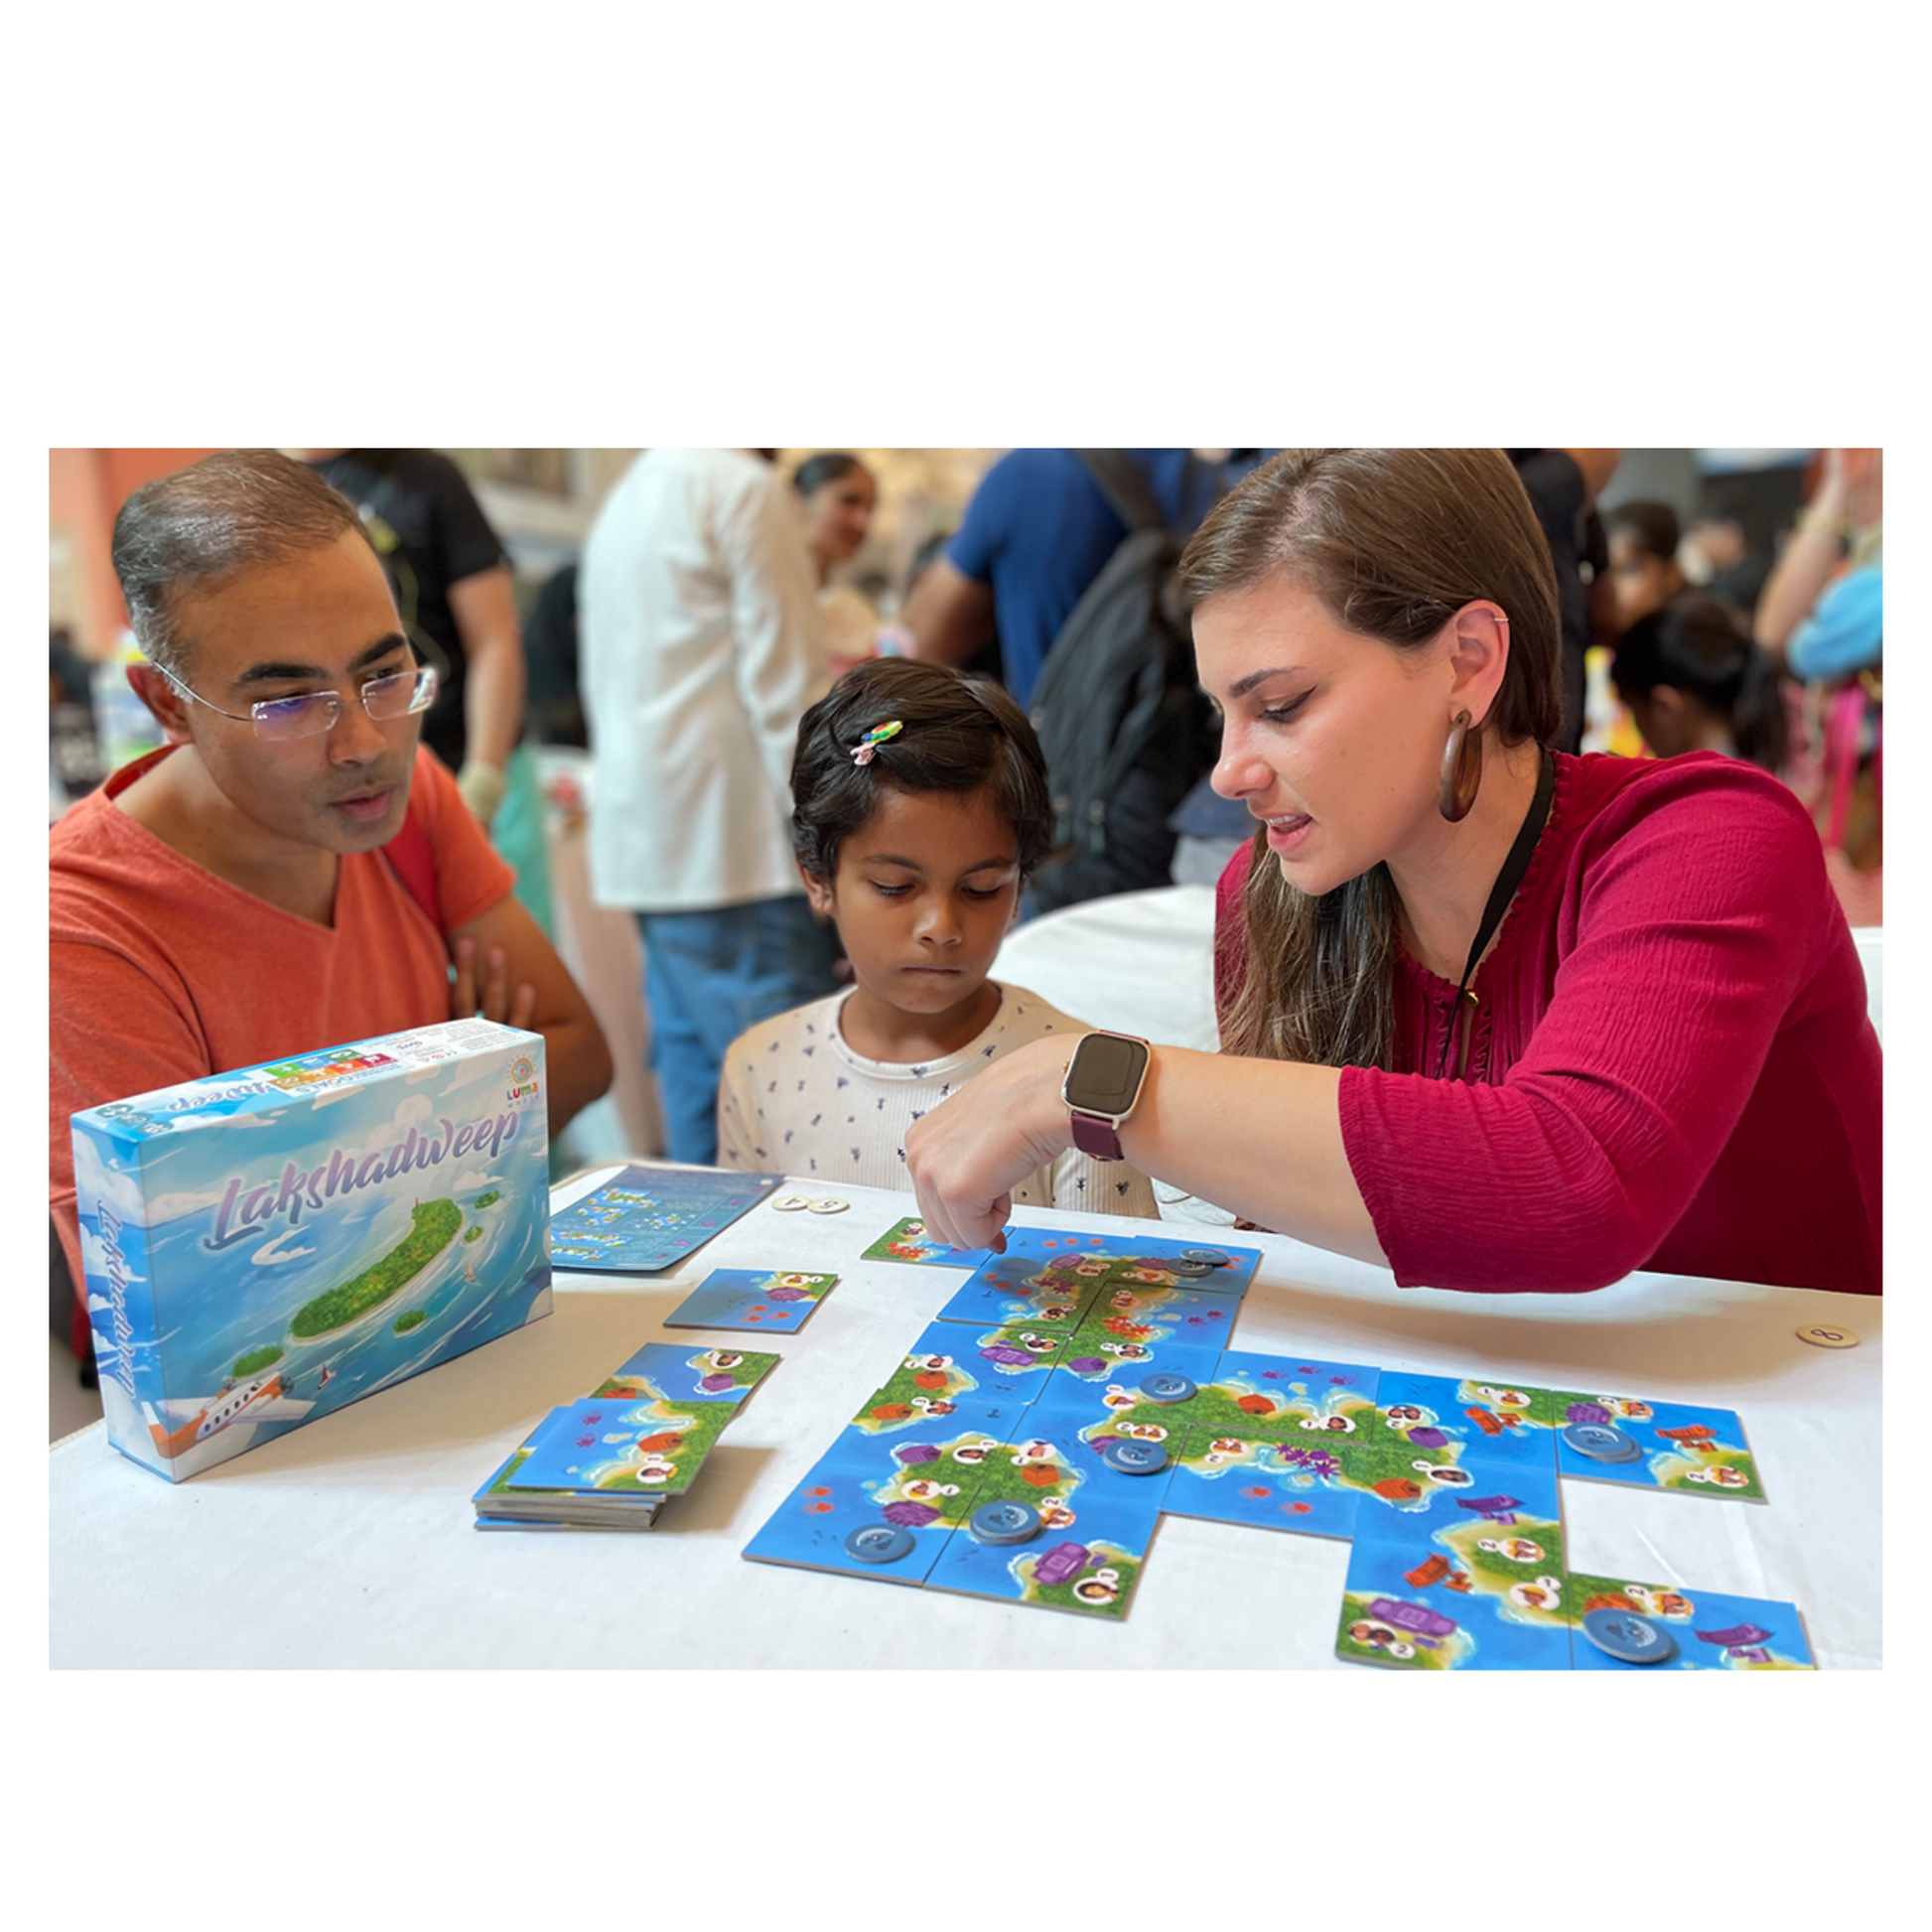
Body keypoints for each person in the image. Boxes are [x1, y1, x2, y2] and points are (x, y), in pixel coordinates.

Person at [902, 449, 1880, 1298]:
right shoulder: (1270, 892)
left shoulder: (1709, 838)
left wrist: (1086, 1083)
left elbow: (1573, 1185)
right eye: (1220, 714)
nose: (1228, 770)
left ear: (1466, 659)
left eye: (1279, 705)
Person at [50, 451, 613, 1360]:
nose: (363, 743)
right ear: (168, 704)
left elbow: (578, 1050)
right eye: (287, 702)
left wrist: (300, 1178)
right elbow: (185, 1298)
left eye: (386, 676)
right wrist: (457, 1088)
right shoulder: (82, 925)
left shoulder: (409, 795)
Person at [715, 658, 1156, 1216]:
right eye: (895, 887)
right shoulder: (762, 1068)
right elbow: (751, 1270)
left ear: (1019, 887)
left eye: (979, 889)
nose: (941, 928)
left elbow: (1115, 1286)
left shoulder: (1077, 1082)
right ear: (818, 880)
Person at [579, 448, 842, 1165]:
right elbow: (787, 690)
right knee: (790, 1102)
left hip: (650, 845)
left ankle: (702, 1273)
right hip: (734, 847)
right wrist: (834, 837)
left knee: (699, 1088)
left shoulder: (628, 497)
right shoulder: (743, 490)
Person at [1610, 594, 1788, 771]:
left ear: (1664, 708)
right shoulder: (1758, 777)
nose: (1639, 731)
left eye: (1635, 713)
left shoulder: (1696, 791)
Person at [792, 453, 883, 676]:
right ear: (799, 498)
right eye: (849, 501)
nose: (862, 522)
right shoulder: (762, 593)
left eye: (870, 509)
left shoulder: (854, 611)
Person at [1603, 500, 1686, 630]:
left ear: (1672, 574)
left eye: (1630, 570)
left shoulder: (1688, 640)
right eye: (1604, 570)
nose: (1611, 586)